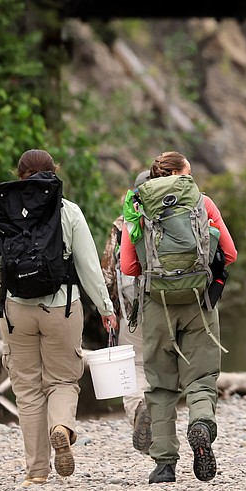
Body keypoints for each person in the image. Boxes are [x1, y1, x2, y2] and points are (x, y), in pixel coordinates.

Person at [0, 149, 118, 489]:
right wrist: (106, 308)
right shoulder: (67, 210)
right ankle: (62, 428)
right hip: (61, 307)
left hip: (15, 313)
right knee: (64, 379)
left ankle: (37, 472)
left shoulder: (3, 210)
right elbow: (88, 267)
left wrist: (12, 286)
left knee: (27, 391)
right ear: (53, 172)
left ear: (20, 173)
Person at [120, 151, 237, 484]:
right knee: (201, 379)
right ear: (179, 174)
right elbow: (230, 253)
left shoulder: (138, 207)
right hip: (199, 303)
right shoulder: (202, 202)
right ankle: (200, 423)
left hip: (157, 305)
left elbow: (128, 267)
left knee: (160, 386)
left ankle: (165, 464)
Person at [101, 169, 152, 453]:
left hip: (132, 307)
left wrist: (109, 309)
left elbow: (108, 270)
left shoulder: (122, 224)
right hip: (174, 305)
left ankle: (139, 410)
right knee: (166, 370)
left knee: (134, 368)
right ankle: (165, 427)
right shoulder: (179, 216)